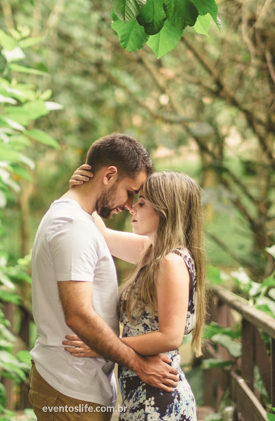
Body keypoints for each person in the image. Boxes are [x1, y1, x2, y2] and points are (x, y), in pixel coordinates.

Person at [29, 134, 180, 421]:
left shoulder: (81, 221)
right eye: (131, 191)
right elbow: (79, 316)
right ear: (109, 175)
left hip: (80, 386)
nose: (129, 204)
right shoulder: (73, 227)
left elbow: (113, 237)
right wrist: (138, 363)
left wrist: (81, 188)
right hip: (69, 386)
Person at [63, 168, 206, 421]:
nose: (132, 207)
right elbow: (103, 235)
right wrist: (84, 188)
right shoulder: (151, 252)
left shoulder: (171, 262)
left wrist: (101, 346)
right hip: (142, 394)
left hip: (159, 402)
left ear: (165, 211)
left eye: (141, 202)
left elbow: (170, 337)